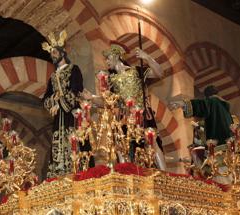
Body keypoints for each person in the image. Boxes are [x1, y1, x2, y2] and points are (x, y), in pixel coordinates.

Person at [100, 43, 167, 170]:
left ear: (116, 55)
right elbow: (107, 101)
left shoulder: (135, 71)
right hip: (124, 117)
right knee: (122, 147)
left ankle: (164, 176)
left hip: (141, 113)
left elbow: (159, 73)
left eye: (108, 58)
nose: (107, 61)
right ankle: (127, 176)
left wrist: (147, 57)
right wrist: (91, 99)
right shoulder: (112, 80)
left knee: (151, 142)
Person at [42, 31, 90, 177]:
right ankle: (59, 172)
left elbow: (76, 89)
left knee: (74, 140)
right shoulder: (52, 77)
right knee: (58, 142)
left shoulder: (73, 69)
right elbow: (45, 98)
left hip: (72, 113)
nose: (53, 55)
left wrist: (60, 102)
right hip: (59, 117)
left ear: (63, 53)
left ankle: (77, 170)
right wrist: (53, 103)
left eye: (55, 52)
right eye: (51, 53)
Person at [169, 85, 233, 146]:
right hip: (230, 141)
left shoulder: (212, 101)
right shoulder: (223, 105)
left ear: (206, 96)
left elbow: (201, 105)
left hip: (218, 142)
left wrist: (183, 103)